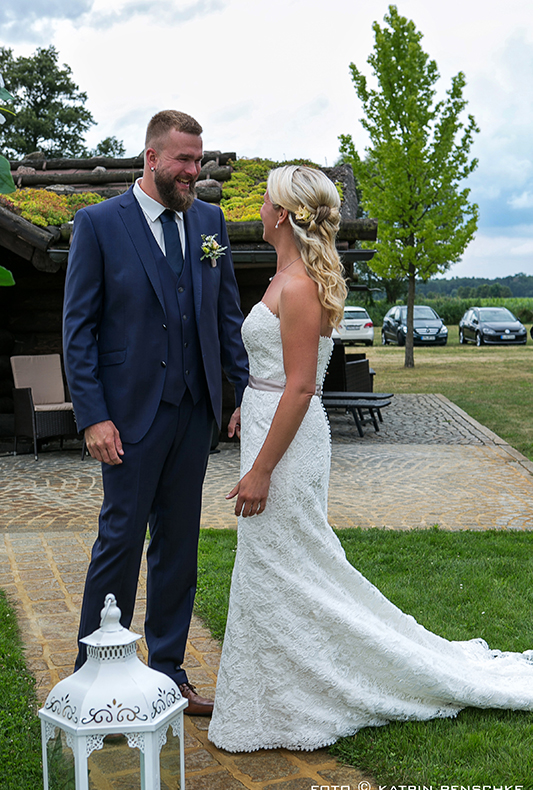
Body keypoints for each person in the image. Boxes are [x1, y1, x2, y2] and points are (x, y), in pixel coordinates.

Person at [208, 164, 533, 752]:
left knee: (288, 563)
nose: (256, 207)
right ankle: (278, 692)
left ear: (283, 214)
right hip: (265, 424)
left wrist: (260, 469)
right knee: (277, 566)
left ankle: (311, 691)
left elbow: (303, 387)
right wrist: (244, 407)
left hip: (286, 446)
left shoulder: (301, 284)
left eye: (264, 200)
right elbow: (276, 372)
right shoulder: (288, 272)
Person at [63, 110, 248, 715]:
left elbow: (225, 317)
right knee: (119, 539)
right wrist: (93, 415)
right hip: (128, 416)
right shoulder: (97, 225)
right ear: (152, 160)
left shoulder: (210, 223)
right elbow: (79, 329)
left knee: (180, 544)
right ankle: (97, 673)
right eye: (185, 161)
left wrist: (238, 393)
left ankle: (168, 672)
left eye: (200, 160)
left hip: (193, 412)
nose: (195, 171)